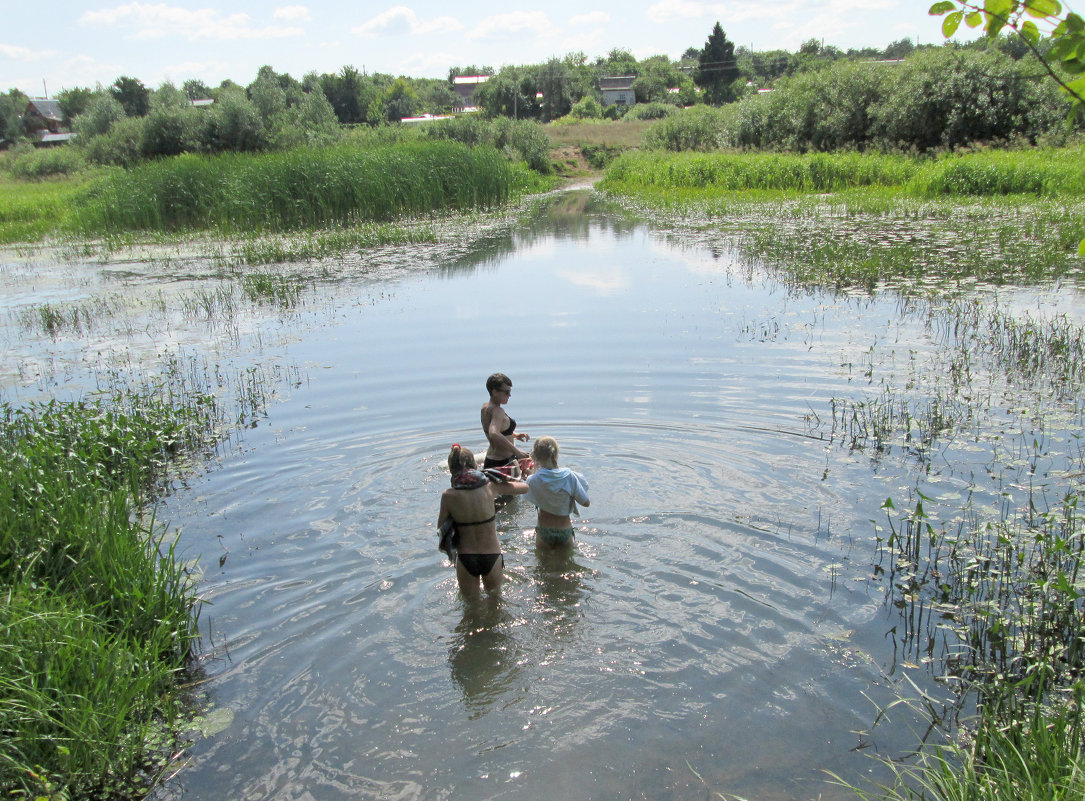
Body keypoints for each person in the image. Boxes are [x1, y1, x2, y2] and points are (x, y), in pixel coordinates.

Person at [438, 444, 528, 597]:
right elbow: (524, 488)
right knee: (496, 605)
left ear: (451, 470)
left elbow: (441, 528)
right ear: (475, 465)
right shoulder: (491, 487)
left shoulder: (448, 496)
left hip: (466, 557)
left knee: (470, 609)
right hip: (491, 554)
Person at [525, 436, 590, 549]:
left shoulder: (533, 480)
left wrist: (530, 474)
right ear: (555, 455)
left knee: (541, 566)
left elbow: (528, 492)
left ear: (536, 457)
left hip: (544, 531)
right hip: (564, 530)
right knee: (567, 566)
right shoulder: (569, 476)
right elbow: (586, 503)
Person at [480, 373, 531, 475]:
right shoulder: (498, 411)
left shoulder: (485, 408)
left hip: (490, 461)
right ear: (494, 392)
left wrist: (515, 435)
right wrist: (517, 452)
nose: (509, 395)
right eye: (506, 392)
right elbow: (494, 433)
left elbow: (499, 430)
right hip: (504, 463)